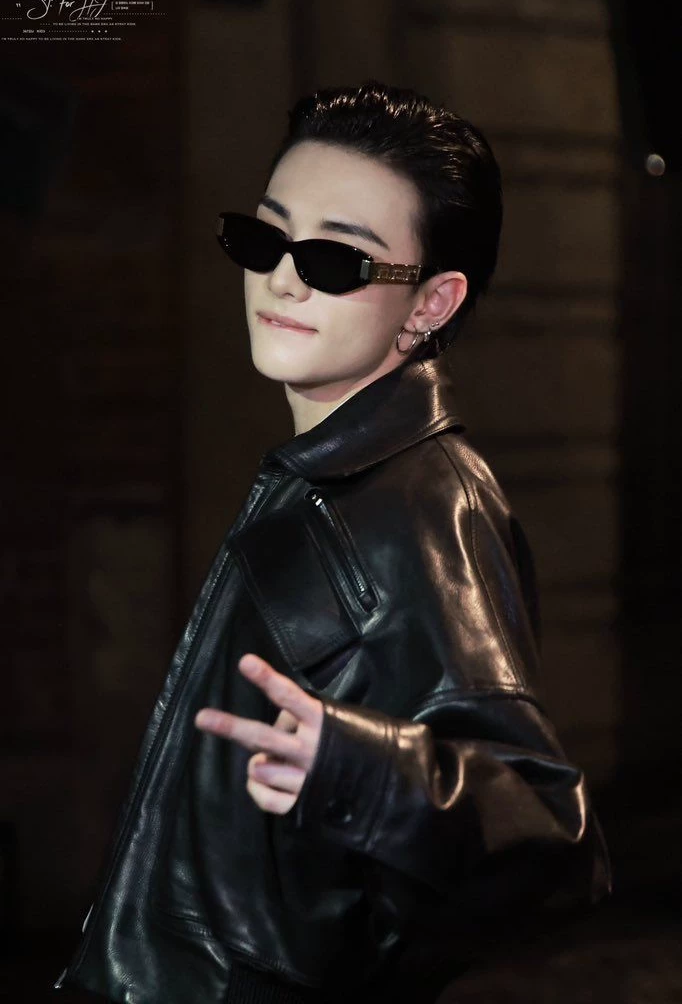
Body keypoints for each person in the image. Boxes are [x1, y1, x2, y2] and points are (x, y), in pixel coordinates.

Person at [54, 79, 612, 1004]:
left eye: (335, 259)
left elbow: (553, 842)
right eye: (266, 239)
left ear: (432, 303)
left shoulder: (419, 508)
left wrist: (363, 775)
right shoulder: (333, 475)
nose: (282, 278)